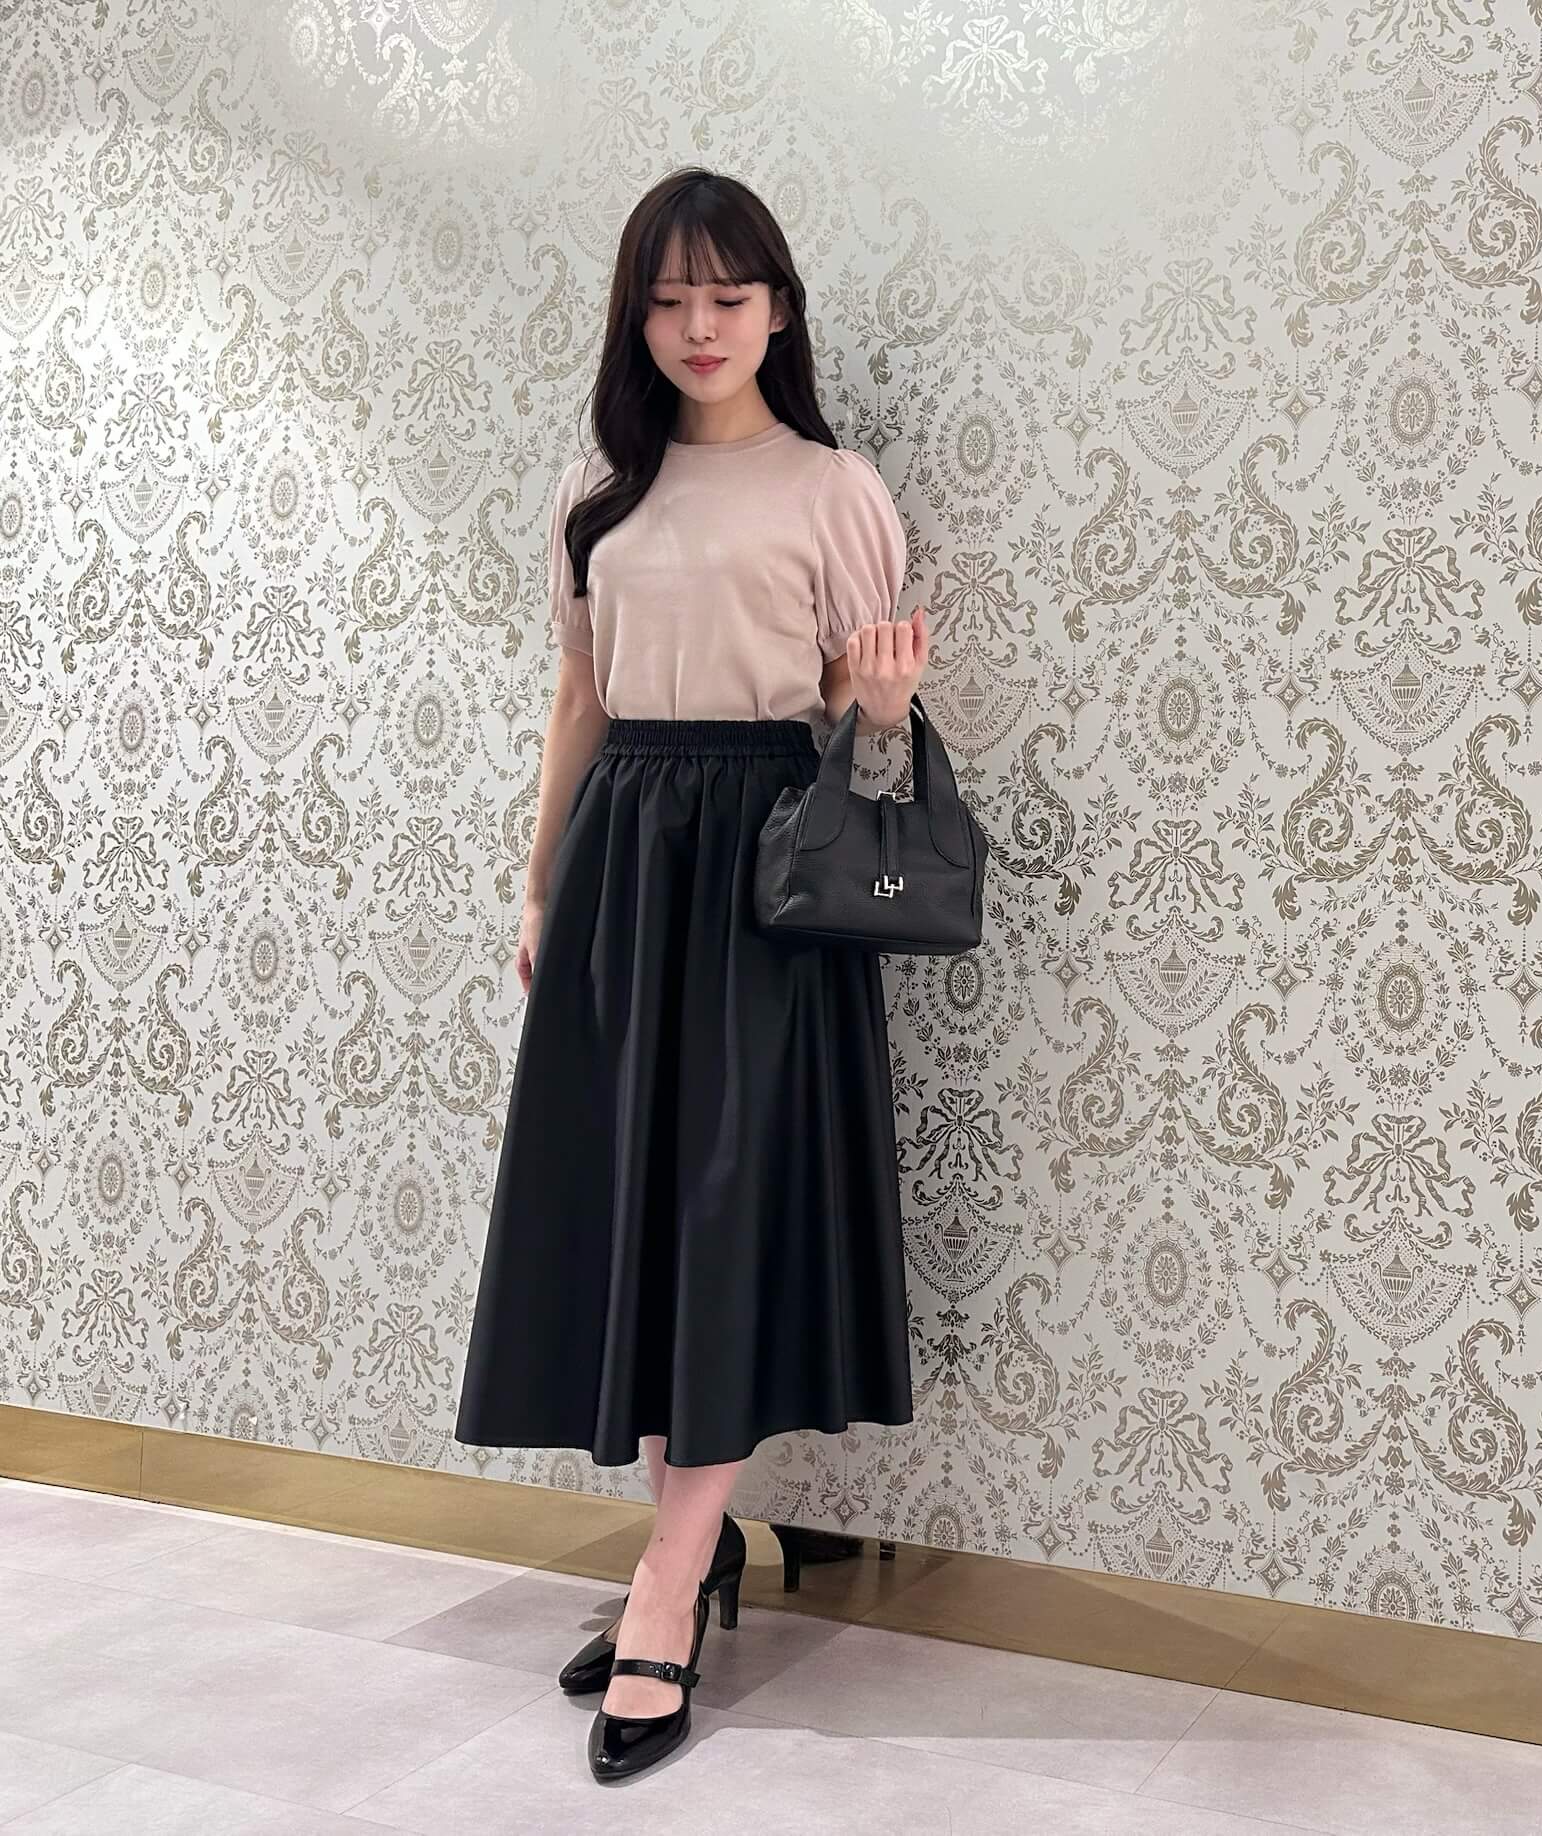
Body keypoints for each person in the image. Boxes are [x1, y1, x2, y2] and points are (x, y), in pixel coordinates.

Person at [454, 166, 927, 1783]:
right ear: (635, 317)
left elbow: (868, 719)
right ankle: (693, 1546)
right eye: (669, 300)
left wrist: (879, 708)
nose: (699, 326)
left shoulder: (833, 488)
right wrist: (541, 880)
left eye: (728, 296)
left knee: (723, 1212)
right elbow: (577, 699)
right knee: (639, 1210)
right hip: (621, 864)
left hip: (762, 872)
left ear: (779, 310)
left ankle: (667, 1580)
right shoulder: (605, 486)